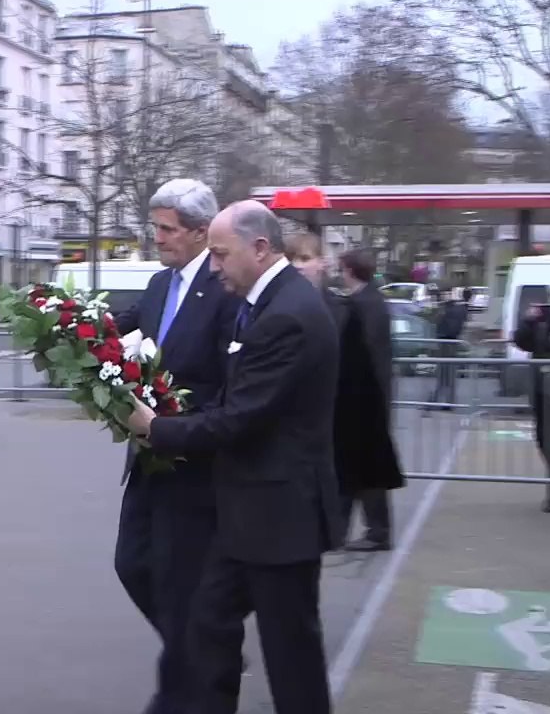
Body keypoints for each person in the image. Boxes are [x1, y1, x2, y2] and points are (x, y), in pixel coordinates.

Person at [126, 200, 343, 714]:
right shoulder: (270, 304)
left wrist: (156, 428)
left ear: (261, 248)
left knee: (292, 656)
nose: (215, 265)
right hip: (250, 514)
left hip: (279, 516)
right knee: (205, 624)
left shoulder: (287, 315)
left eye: (222, 255)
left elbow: (240, 416)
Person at [109, 179, 239, 714]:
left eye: (166, 229)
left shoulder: (224, 288)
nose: (157, 237)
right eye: (155, 227)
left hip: (193, 460)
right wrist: (63, 331)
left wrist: (182, 423)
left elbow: (226, 378)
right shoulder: (161, 284)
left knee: (182, 580)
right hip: (147, 454)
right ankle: (202, 651)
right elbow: (125, 329)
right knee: (132, 564)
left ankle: (200, 673)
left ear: (201, 233)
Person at [287, 235, 404, 551]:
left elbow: (366, 358)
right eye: (293, 259)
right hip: (327, 412)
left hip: (353, 406)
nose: (299, 266)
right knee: (352, 472)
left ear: (323, 264)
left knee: (358, 471)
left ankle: (361, 530)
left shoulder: (349, 308)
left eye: (305, 258)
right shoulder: (350, 303)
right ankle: (339, 528)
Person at [512, 299, 550, 512]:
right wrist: (528, 321)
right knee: (545, 439)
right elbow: (521, 341)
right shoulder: (543, 316)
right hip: (541, 385)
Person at [428, 287, 473, 408]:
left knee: (445, 374)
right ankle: (446, 400)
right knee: (447, 374)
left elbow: (443, 326)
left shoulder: (450, 310)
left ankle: (444, 400)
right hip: (449, 343)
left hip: (446, 343)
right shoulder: (460, 309)